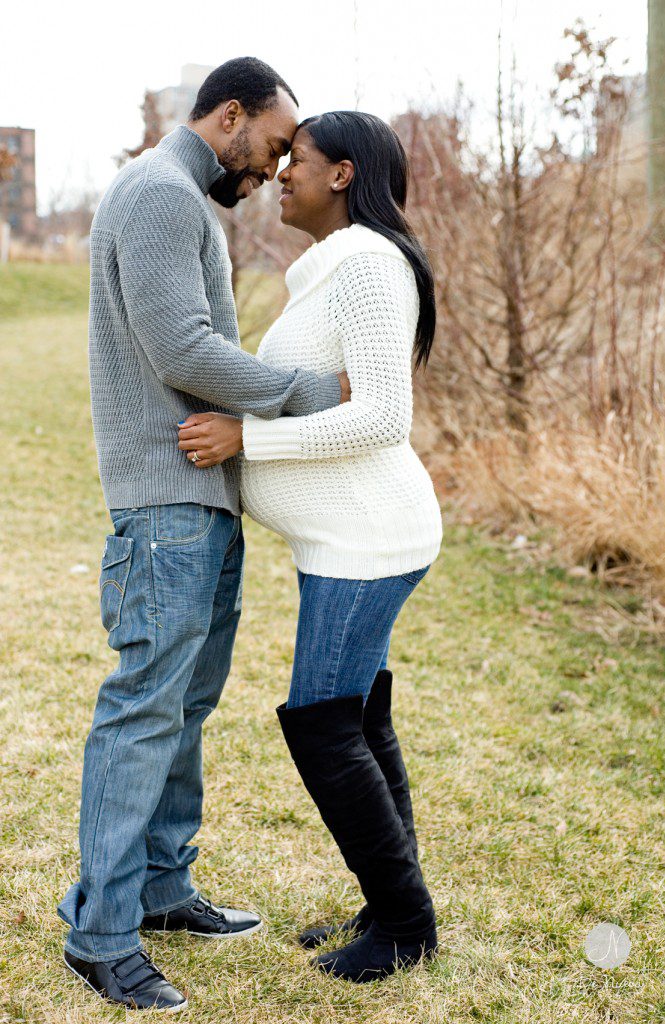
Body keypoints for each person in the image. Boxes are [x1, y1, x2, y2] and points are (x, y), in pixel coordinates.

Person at [58, 59, 351, 1012]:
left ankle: (160, 887)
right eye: (270, 145)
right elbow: (181, 348)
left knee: (183, 708)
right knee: (145, 708)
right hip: (164, 504)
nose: (272, 169)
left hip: (200, 500)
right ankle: (99, 935)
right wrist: (308, 395)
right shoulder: (157, 194)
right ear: (229, 116)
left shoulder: (185, 201)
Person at [176, 110, 442, 983]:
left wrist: (250, 441)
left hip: (368, 537)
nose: (280, 172)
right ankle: (389, 904)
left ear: (343, 175)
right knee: (357, 718)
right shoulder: (332, 268)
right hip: (346, 535)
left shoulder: (367, 264)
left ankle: (404, 924)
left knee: (325, 722)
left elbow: (379, 415)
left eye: (298, 159)